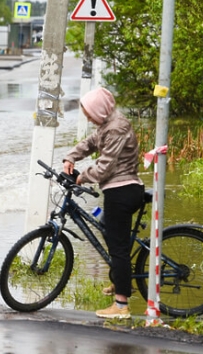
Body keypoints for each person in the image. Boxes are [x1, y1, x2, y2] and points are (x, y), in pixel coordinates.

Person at [62, 87, 143, 320]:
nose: (87, 117)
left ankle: (121, 305)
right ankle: (122, 280)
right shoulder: (108, 125)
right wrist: (71, 157)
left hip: (122, 191)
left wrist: (81, 176)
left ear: (99, 109)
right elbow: (90, 142)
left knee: (117, 248)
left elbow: (105, 166)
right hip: (120, 190)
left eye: (89, 113)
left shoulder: (117, 128)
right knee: (110, 232)